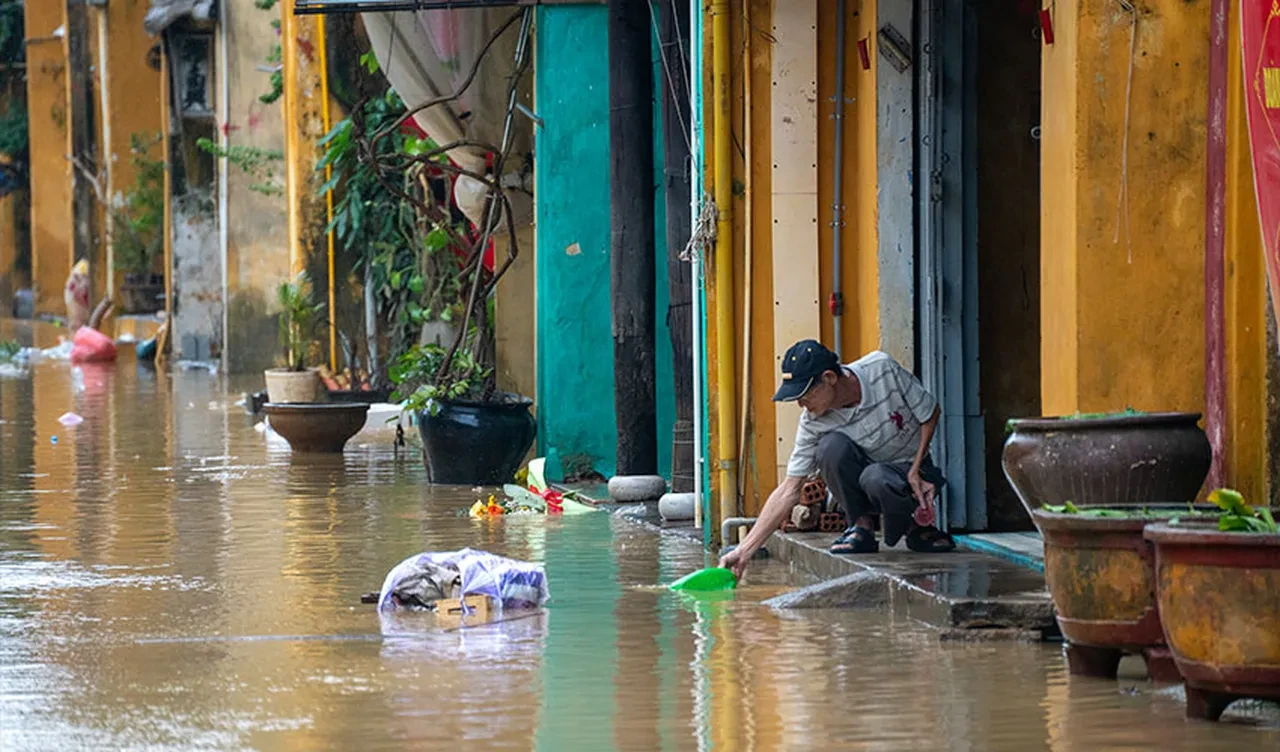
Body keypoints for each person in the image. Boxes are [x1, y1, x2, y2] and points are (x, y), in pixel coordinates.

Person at [719, 339, 955, 578]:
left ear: (829, 378)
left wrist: (916, 468)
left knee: (876, 477)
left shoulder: (881, 369)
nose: (801, 404)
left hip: (910, 472)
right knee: (830, 448)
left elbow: (930, 413)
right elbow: (789, 489)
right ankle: (860, 526)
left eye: (806, 394)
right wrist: (743, 551)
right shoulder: (812, 421)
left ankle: (916, 525)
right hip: (869, 476)